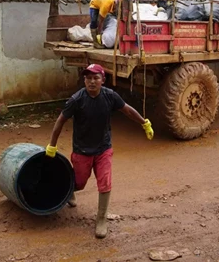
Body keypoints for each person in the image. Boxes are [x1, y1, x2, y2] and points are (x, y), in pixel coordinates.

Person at [45, 64, 154, 238]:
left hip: (104, 148)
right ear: (84, 81)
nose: (92, 81)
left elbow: (127, 110)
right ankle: (69, 191)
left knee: (105, 182)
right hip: (82, 150)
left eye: (96, 78)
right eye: (88, 78)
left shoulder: (110, 96)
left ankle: (101, 219)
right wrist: (52, 145)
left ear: (103, 80)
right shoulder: (76, 100)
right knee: (79, 182)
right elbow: (60, 121)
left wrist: (144, 123)